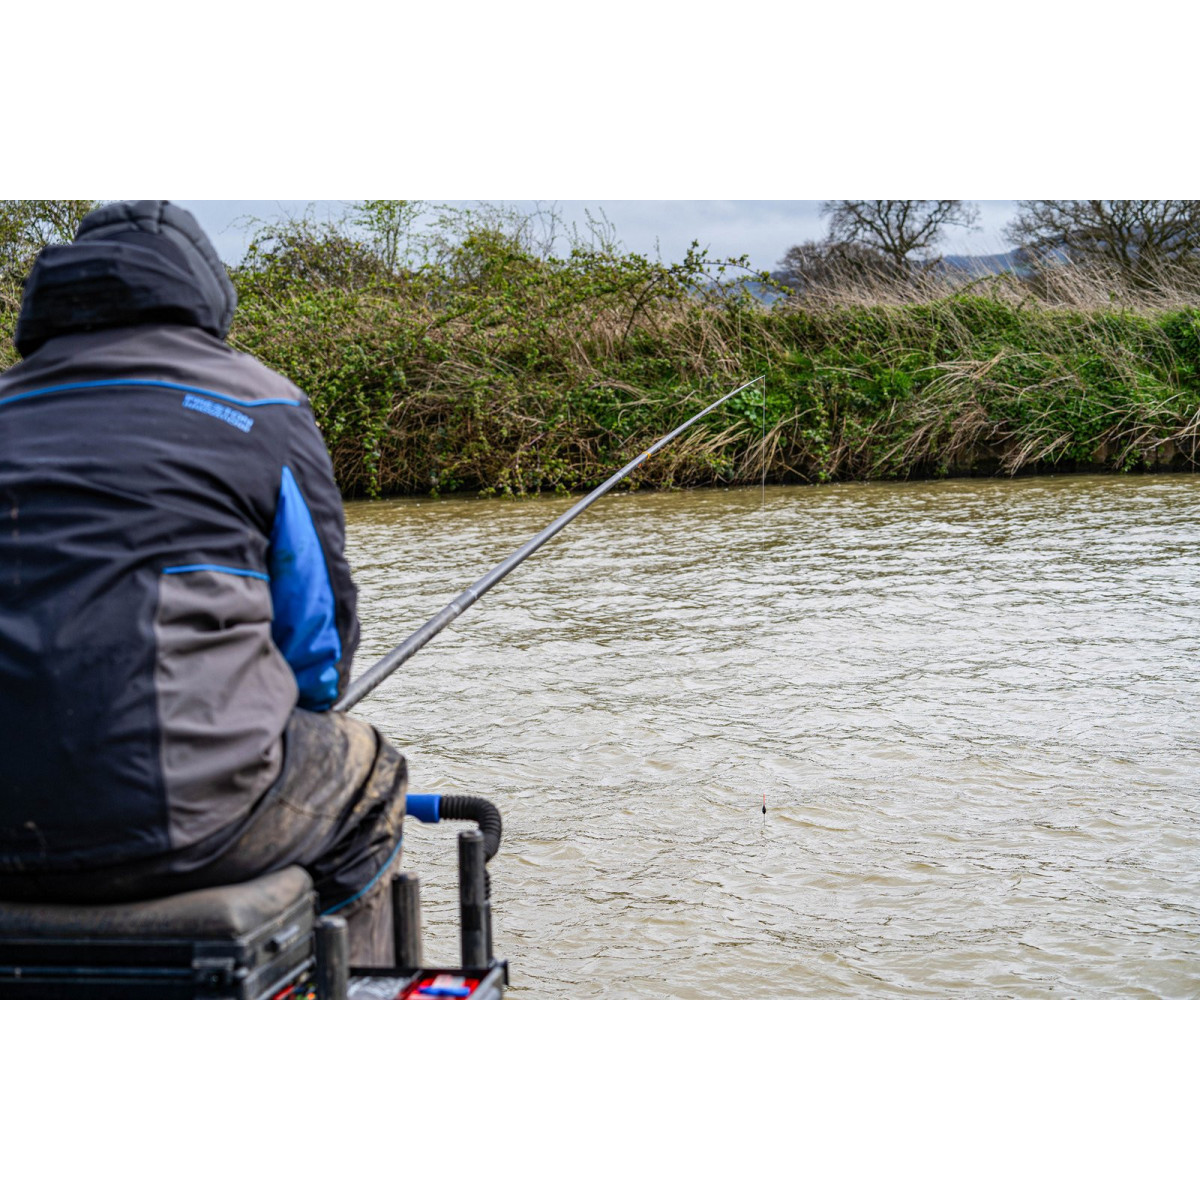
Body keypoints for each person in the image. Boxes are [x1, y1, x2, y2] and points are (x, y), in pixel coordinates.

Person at [0, 201, 405, 964]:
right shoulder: (261, 403)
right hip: (182, 828)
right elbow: (317, 651)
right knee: (373, 777)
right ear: (203, 291)